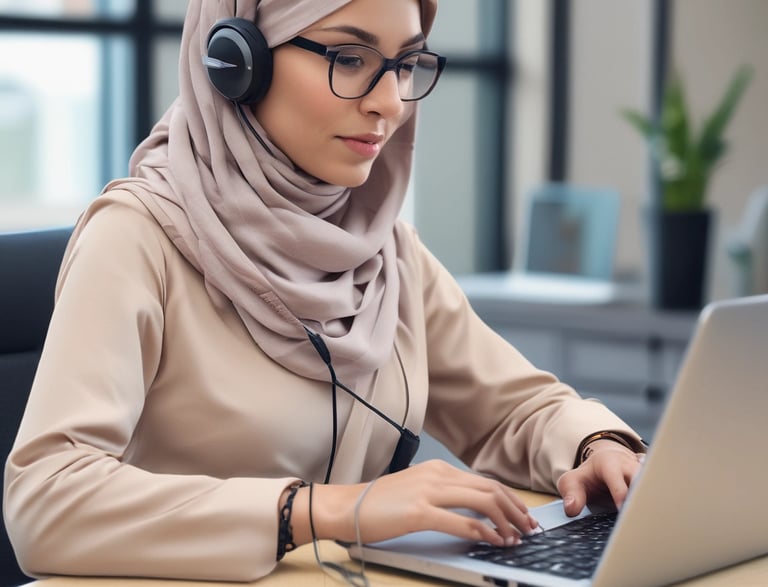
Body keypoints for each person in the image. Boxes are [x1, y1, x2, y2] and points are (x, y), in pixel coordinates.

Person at [3, 0, 646, 582]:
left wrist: (598, 445)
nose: (390, 102)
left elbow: (514, 409)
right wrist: (322, 511)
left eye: (405, 64)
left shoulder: (384, 249)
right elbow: (47, 500)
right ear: (237, 63)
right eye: (350, 57)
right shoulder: (138, 237)